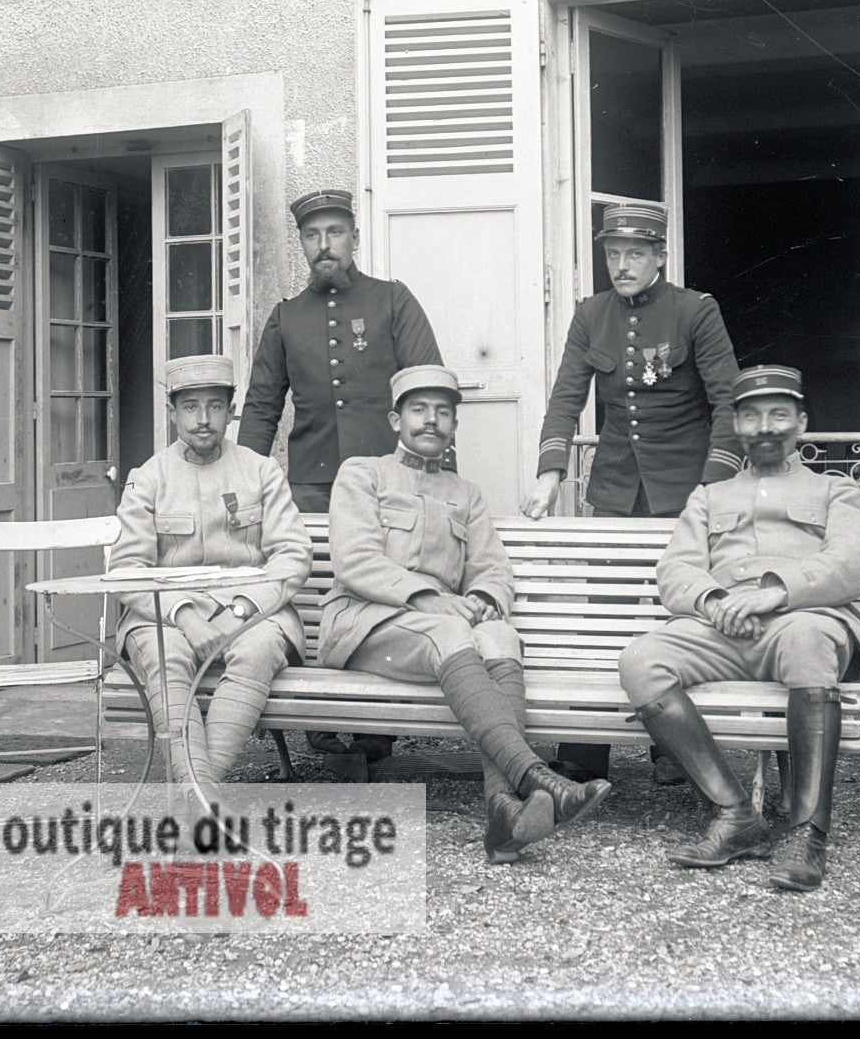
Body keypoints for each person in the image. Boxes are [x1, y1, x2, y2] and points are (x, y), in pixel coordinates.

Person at [318, 365, 612, 863]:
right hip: (362, 623)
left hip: (441, 631)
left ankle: (503, 811)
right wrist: (430, 599)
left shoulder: (466, 493)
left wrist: (485, 599)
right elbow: (355, 560)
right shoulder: (362, 474)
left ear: (454, 424)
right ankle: (539, 777)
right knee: (452, 629)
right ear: (395, 419)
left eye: (443, 412)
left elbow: (493, 567)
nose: (430, 421)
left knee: (500, 635)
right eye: (418, 410)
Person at [618, 365, 860, 892]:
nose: (766, 428)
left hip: (802, 622)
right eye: (753, 416)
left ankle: (807, 836)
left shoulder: (836, 491)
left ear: (801, 422)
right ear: (737, 426)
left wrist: (776, 593)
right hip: (724, 630)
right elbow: (675, 570)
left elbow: (850, 565)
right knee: (641, 660)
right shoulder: (709, 497)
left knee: (805, 640)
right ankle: (737, 817)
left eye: (779, 414)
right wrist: (713, 601)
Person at [521, 201, 744, 786]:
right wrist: (549, 471)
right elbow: (566, 397)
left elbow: (728, 402)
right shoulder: (590, 315)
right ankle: (584, 751)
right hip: (617, 490)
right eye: (613, 254)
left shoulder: (696, 310)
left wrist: (711, 490)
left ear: (660, 256)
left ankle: (671, 750)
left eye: (635, 254)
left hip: (684, 491)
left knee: (678, 617)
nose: (621, 265)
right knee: (606, 613)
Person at [239, 187, 448, 761]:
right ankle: (322, 721)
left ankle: (375, 728)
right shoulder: (285, 318)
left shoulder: (391, 301)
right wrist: (243, 484)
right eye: (312, 235)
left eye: (335, 233)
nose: (324, 244)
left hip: (389, 483)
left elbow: (429, 387)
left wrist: (436, 480)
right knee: (311, 598)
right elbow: (261, 407)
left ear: (354, 237)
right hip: (312, 481)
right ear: (302, 243)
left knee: (384, 592)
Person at [112, 355, 311, 788]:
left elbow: (292, 555)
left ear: (230, 410)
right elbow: (127, 568)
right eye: (190, 407)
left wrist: (239, 611)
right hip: (164, 613)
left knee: (258, 649)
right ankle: (198, 793)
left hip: (251, 609)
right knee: (166, 655)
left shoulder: (261, 471)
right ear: (172, 412)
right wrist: (184, 615)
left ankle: (196, 797)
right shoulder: (148, 478)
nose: (203, 420)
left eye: (215, 406)